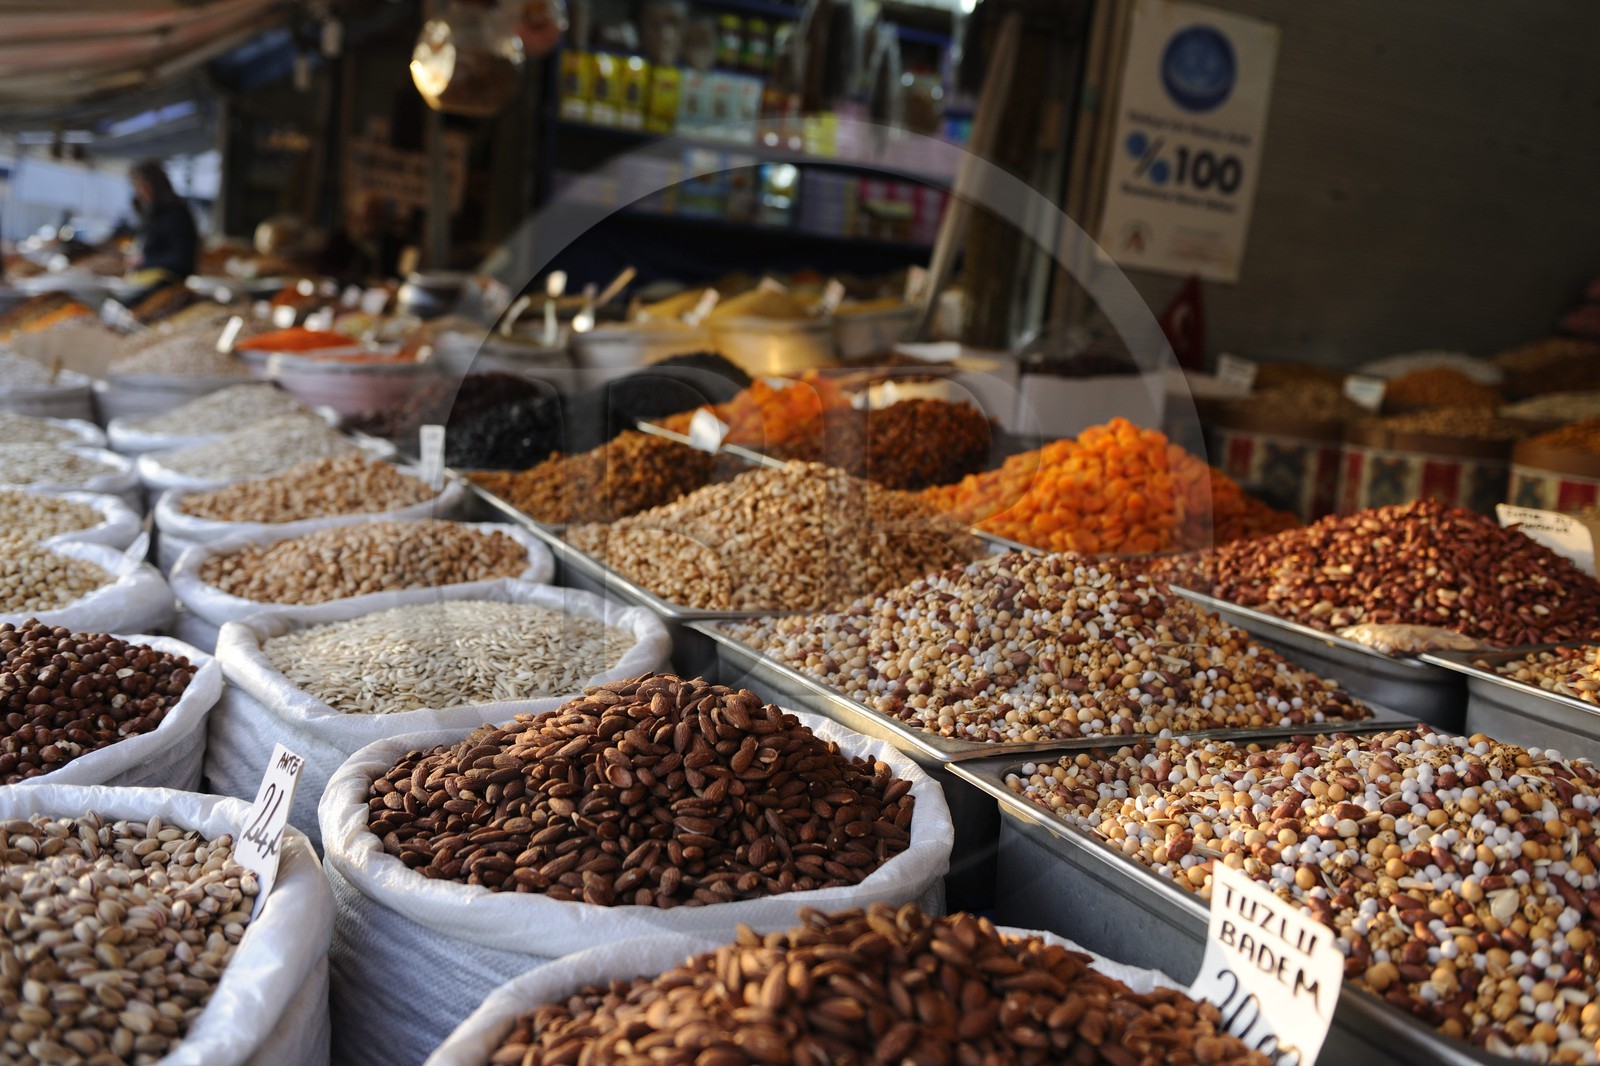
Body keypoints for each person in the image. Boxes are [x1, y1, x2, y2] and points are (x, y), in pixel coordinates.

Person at [129, 159, 199, 279]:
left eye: (140, 186)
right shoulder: (153, 212)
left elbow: (181, 260)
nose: (139, 193)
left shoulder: (175, 214)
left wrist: (144, 262)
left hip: (169, 279)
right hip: (152, 273)